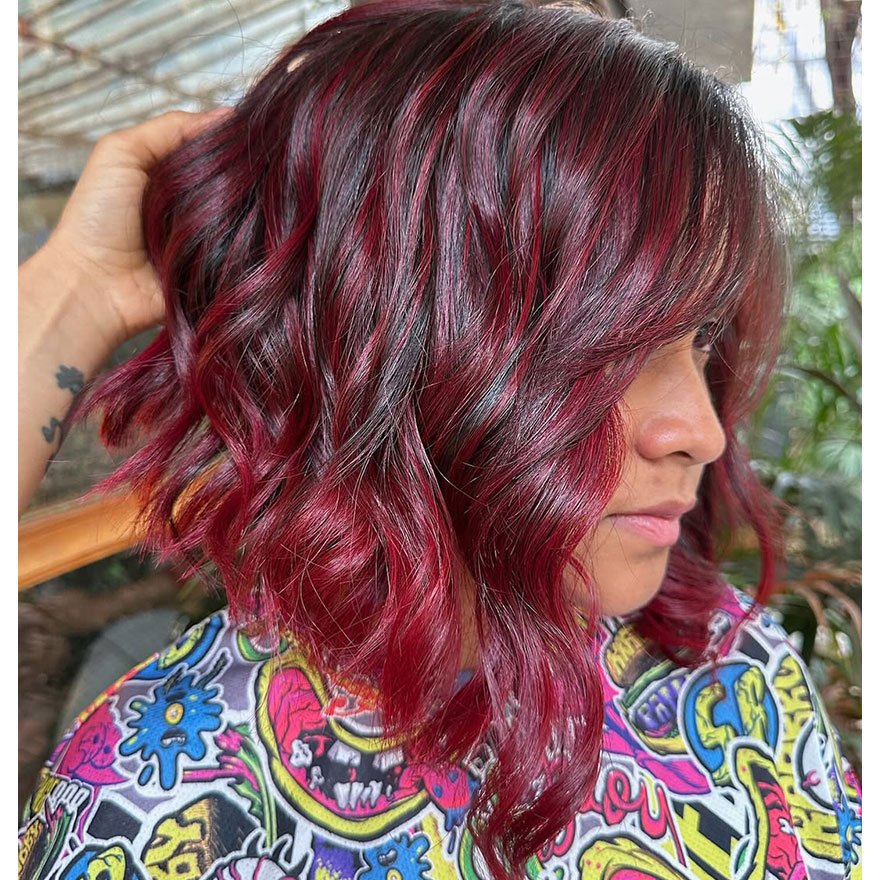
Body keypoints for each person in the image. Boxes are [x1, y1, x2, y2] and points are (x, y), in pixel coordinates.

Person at [18, 1, 861, 878]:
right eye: (613, 347)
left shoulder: (735, 667)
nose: (704, 433)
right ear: (383, 340)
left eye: (702, 337)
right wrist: (78, 291)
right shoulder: (160, 794)